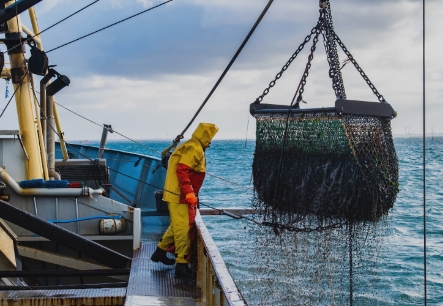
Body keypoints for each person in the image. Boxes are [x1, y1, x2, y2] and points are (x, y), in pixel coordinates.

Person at [150, 122, 219, 279]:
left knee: (176, 226)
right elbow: (182, 170)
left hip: (175, 194)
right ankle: (181, 266)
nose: (210, 142)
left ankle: (160, 252)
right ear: (204, 136)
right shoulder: (195, 148)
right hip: (179, 195)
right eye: (209, 138)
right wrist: (188, 192)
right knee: (183, 229)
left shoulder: (191, 145)